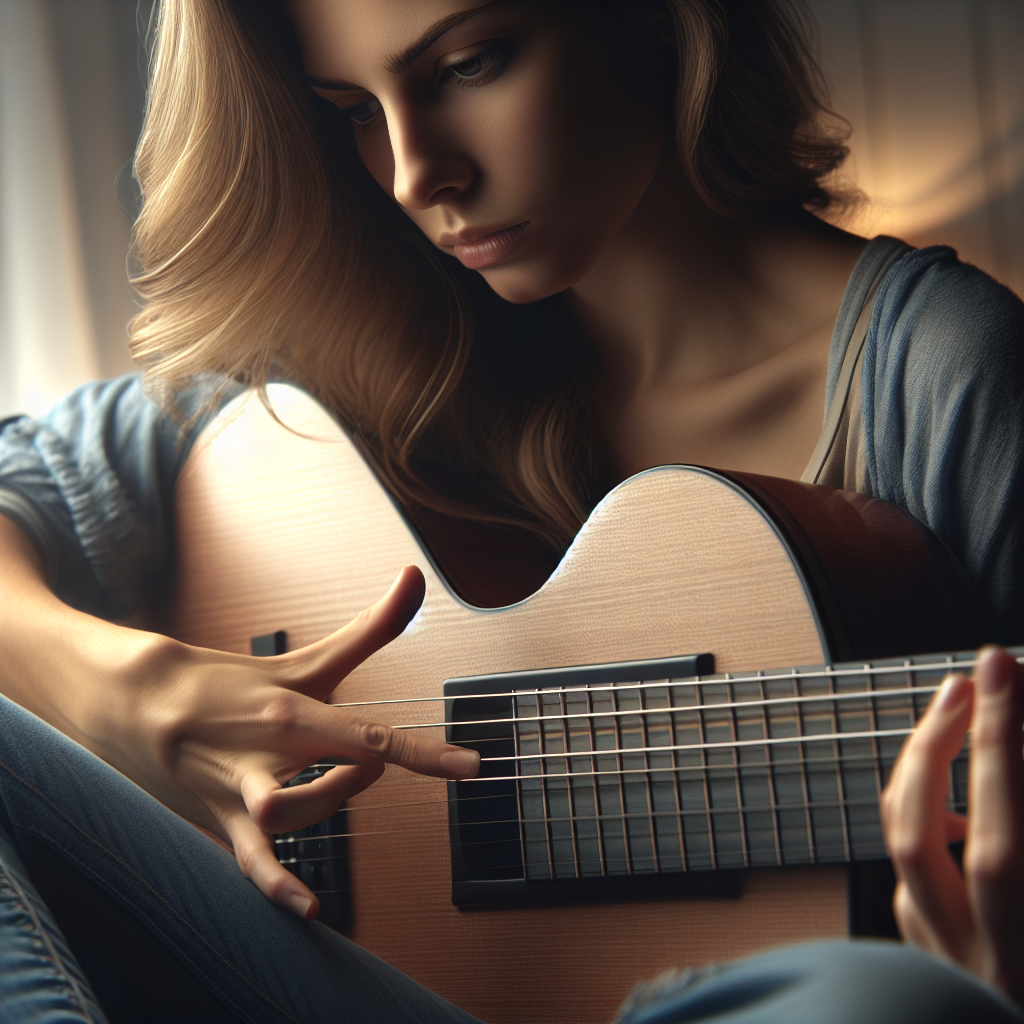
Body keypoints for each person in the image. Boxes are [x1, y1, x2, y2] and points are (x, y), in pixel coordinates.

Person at [0, 0, 1020, 1020]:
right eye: (351, 107)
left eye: (470, 63)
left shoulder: (943, 378)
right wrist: (115, 691)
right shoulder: (362, 360)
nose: (412, 174)